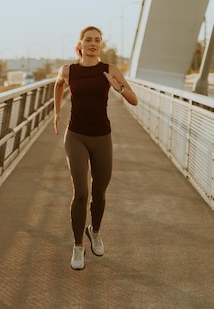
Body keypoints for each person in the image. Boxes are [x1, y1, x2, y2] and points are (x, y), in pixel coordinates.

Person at [54, 25, 138, 270]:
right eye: (88, 39)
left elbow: (134, 100)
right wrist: (57, 112)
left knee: (99, 192)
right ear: (80, 44)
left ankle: (95, 231)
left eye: (97, 40)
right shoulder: (68, 70)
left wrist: (117, 87)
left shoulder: (109, 70)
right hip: (76, 136)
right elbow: (58, 84)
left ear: (101, 44)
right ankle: (78, 246)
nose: (93, 43)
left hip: (102, 137)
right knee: (81, 192)